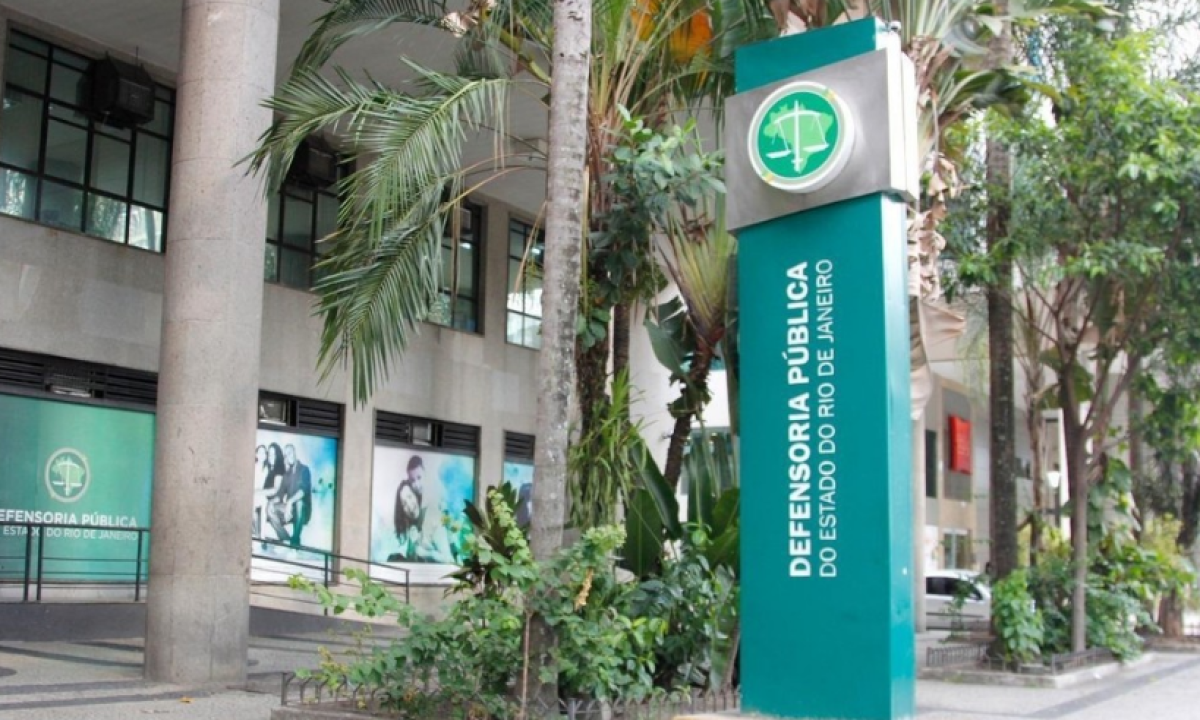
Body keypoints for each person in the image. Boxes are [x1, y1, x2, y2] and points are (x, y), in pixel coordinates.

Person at [387, 455, 454, 564]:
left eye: (419, 478)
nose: (417, 485)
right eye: (404, 503)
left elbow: (449, 559)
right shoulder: (411, 526)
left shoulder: (432, 514)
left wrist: (425, 553)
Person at [268, 444, 312, 548]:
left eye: (290, 453)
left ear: (295, 452)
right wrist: (271, 502)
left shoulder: (304, 470)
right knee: (270, 509)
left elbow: (303, 491)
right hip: (290, 511)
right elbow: (280, 494)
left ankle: (295, 541)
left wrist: (289, 502)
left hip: (303, 512)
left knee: (299, 503)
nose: (289, 456)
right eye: (286, 455)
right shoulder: (286, 475)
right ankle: (286, 539)